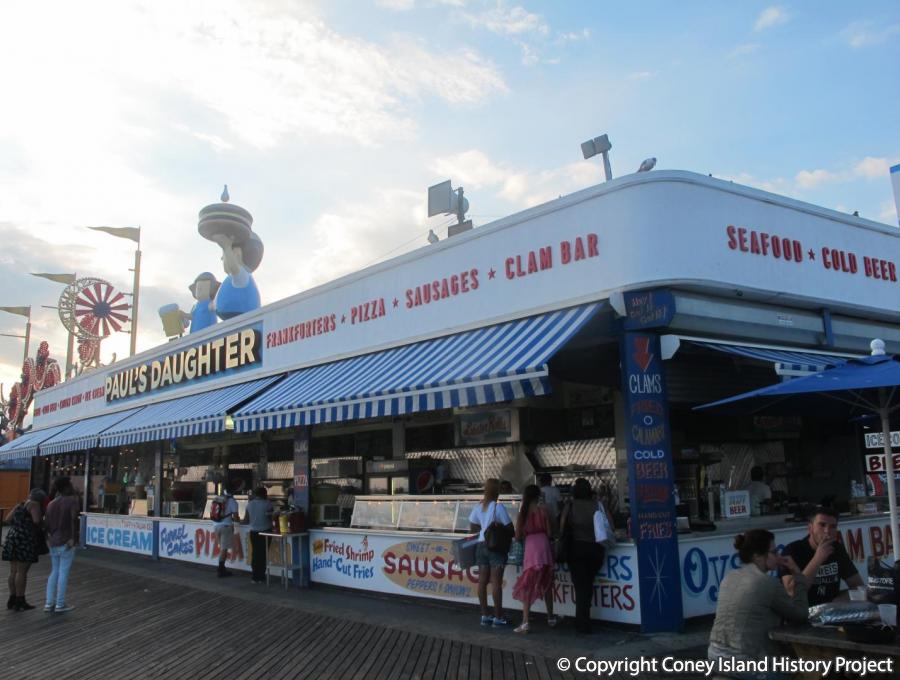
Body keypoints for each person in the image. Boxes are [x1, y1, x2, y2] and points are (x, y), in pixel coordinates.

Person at [708, 529, 808, 679]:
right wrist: (797, 574)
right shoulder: (768, 583)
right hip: (742, 662)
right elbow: (801, 614)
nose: (778, 556)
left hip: (714, 655)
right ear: (757, 555)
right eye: (774, 552)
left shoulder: (729, 577)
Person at [779, 506, 863, 606]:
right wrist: (818, 559)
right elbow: (792, 593)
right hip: (803, 611)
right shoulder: (792, 551)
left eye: (832, 527)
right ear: (810, 528)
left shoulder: (837, 549)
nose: (827, 531)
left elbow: (858, 586)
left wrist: (840, 599)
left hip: (831, 610)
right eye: (822, 525)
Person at [561, 478, 610, 634]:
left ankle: (581, 622)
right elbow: (610, 525)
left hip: (576, 548)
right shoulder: (598, 505)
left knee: (580, 586)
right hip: (595, 549)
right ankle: (584, 621)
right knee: (588, 585)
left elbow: (561, 527)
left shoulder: (570, 505)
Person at [511, 484, 557, 633]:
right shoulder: (543, 510)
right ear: (538, 496)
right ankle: (551, 617)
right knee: (547, 583)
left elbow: (517, 535)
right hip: (544, 546)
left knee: (528, 584)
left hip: (531, 548)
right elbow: (549, 533)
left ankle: (525, 621)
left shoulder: (522, 513)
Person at [468, 478, 513, 627]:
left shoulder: (479, 506)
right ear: (497, 491)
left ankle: (485, 615)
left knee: (482, 581)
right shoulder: (498, 507)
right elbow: (510, 528)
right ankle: (498, 617)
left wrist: (483, 531)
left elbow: (472, 526)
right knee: (496, 583)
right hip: (496, 547)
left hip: (481, 545)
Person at [2, 488, 47, 611]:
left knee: (13, 571)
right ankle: (20, 601)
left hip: (12, 537)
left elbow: (7, 519)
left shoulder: (20, 505)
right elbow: (36, 521)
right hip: (25, 539)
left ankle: (12, 599)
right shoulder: (34, 505)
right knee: (22, 572)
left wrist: (19, 523)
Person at [44, 477, 80, 613]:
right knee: (63, 572)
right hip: (66, 540)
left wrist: (48, 538)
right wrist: (73, 538)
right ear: (66, 487)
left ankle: (49, 603)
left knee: (54, 571)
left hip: (53, 540)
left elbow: (46, 524)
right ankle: (60, 603)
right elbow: (73, 520)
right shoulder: (72, 501)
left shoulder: (51, 504)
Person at [244, 487, 273, 584]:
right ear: (264, 494)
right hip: (266, 531)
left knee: (255, 554)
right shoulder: (268, 504)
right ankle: (261, 576)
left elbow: (246, 520)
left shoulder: (249, 504)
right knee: (263, 554)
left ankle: (254, 576)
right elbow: (271, 517)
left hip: (254, 532)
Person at [213, 483, 240, 578]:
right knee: (224, 549)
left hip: (216, 525)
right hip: (226, 527)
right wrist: (239, 521)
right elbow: (236, 518)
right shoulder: (232, 501)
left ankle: (222, 568)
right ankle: (221, 569)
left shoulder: (217, 498)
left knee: (222, 547)